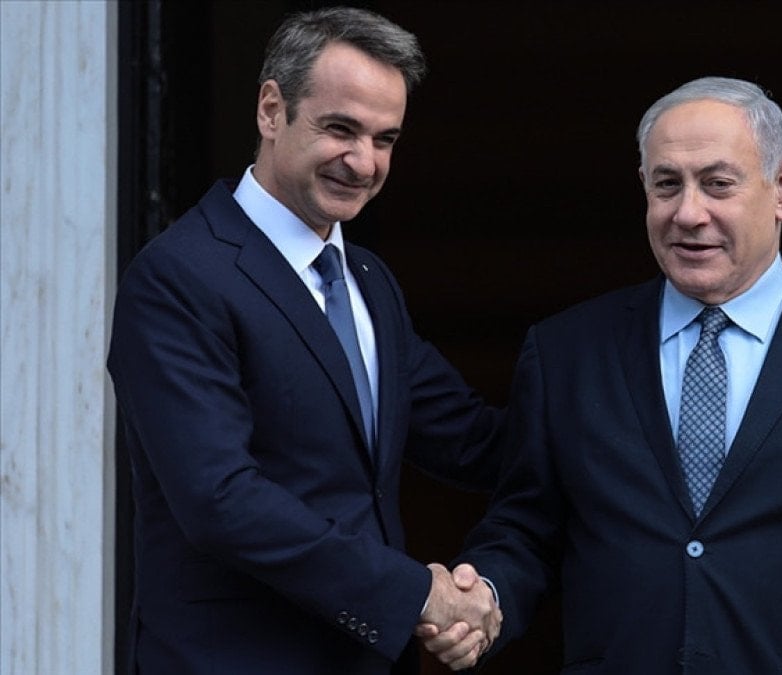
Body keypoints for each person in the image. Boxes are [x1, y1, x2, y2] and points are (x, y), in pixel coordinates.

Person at [421, 76, 782, 673]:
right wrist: (486, 595)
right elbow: (528, 525)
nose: (688, 213)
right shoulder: (566, 352)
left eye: (718, 184)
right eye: (667, 184)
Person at [108, 7, 501, 674]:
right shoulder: (178, 277)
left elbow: (469, 439)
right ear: (271, 110)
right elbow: (221, 499)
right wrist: (415, 593)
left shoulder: (369, 281)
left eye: (384, 139)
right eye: (340, 129)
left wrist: (621, 400)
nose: (363, 161)